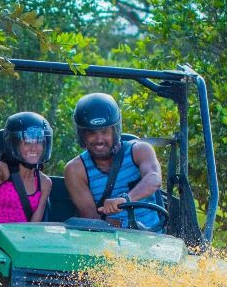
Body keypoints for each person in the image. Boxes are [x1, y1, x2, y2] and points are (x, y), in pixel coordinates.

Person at [64, 93, 163, 230]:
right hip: (109, 243)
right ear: (83, 135)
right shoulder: (76, 169)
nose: (99, 140)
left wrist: (125, 199)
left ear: (115, 131)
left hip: (154, 239)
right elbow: (92, 219)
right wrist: (124, 228)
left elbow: (154, 178)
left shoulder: (140, 150)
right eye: (92, 133)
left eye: (105, 132)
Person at [0, 112, 53, 230]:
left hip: (22, 242)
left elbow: (34, 224)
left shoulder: (45, 183)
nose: (34, 147)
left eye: (39, 142)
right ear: (15, 145)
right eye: (27, 143)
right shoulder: (4, 169)